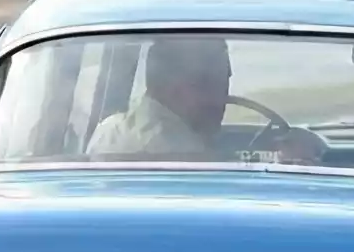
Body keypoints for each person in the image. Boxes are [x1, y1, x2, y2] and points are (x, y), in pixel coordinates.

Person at [85, 36, 324, 164]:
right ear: (168, 85)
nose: (221, 97)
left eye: (223, 80)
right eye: (206, 83)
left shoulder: (108, 129)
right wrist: (284, 162)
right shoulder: (180, 153)